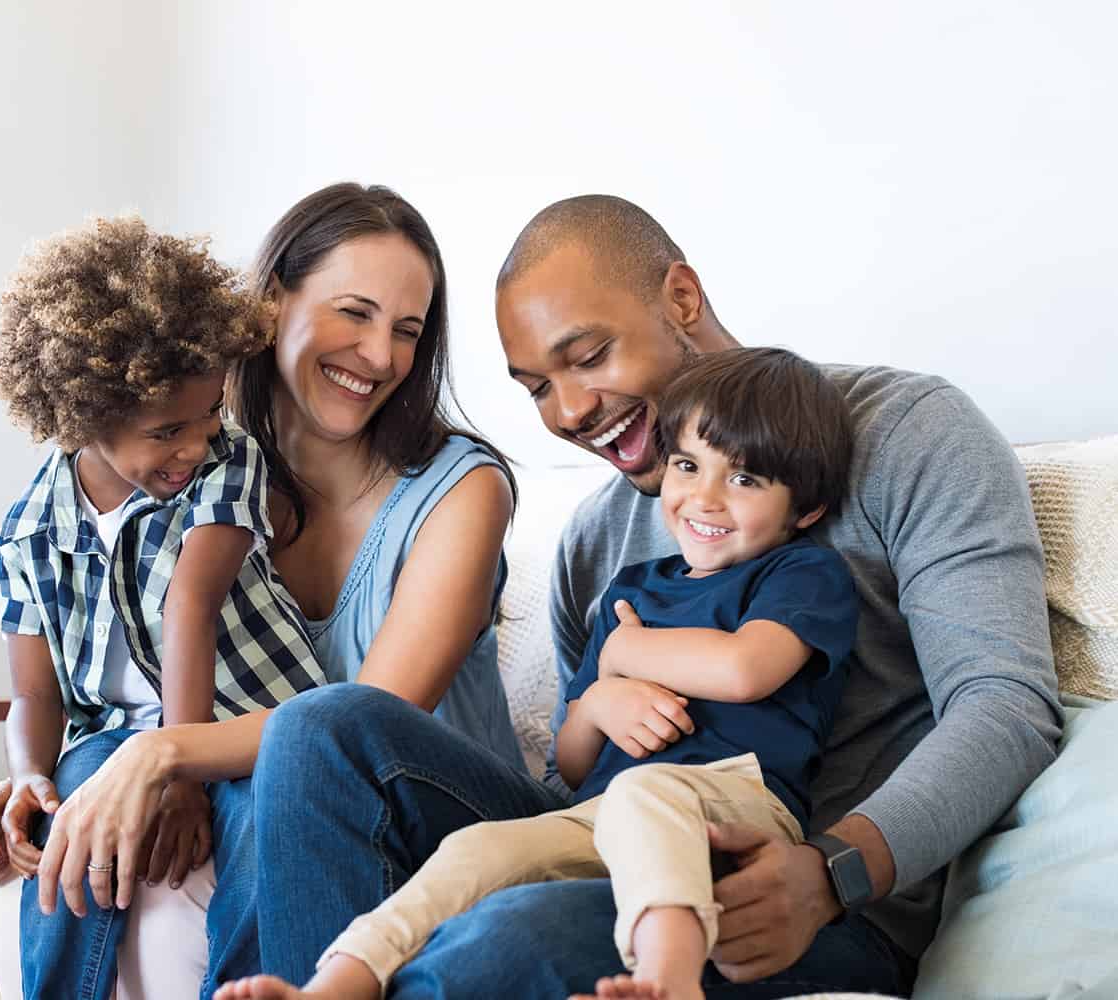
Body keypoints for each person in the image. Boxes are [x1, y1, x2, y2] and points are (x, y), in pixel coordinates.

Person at [229, 195, 1063, 999]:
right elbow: (574, 772)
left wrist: (834, 871)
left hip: (801, 893)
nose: (571, 411)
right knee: (320, 729)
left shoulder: (907, 432)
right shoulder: (596, 541)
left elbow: (1005, 704)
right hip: (614, 844)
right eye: (536, 388)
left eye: (589, 357)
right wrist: (601, 703)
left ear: (683, 298)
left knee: (506, 936)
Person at [0, 183, 529, 999]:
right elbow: (111, 670)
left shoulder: (460, 491)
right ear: (272, 301)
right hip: (269, 786)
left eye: (406, 331)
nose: (383, 356)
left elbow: (355, 729)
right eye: (354, 312)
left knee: (304, 755)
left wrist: (161, 755)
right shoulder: (186, 475)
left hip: (433, 812)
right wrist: (43, 789)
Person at [215, 346, 859, 1000]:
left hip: (734, 805)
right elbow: (574, 762)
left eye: (745, 481)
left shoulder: (798, 573)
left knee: (646, 796)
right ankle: (333, 985)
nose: (706, 498)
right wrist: (599, 703)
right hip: (605, 814)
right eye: (689, 466)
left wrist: (623, 656)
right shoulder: (630, 591)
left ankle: (669, 980)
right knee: (477, 853)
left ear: (803, 510)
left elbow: (747, 669)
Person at [0, 215, 331, 998]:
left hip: (251, 726)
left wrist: (181, 777)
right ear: (83, 417)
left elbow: (190, 607)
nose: (197, 445)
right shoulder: (30, 532)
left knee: (262, 826)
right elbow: (34, 692)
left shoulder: (225, 464)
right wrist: (29, 777)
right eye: (168, 430)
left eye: (209, 416)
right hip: (115, 738)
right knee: (69, 811)